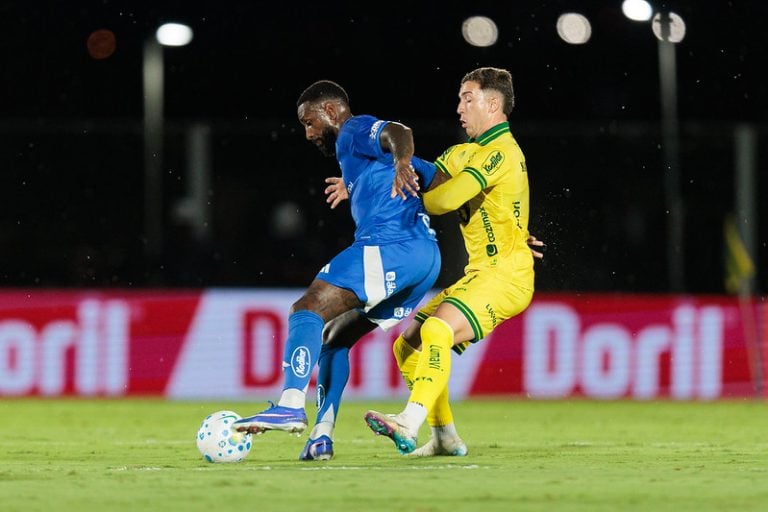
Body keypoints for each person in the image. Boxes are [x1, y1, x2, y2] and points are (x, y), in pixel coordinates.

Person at [233, 80, 444, 461]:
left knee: (307, 308)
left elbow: (400, 132)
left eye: (309, 122)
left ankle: (290, 404)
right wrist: (363, 183)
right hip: (424, 260)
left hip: (390, 246)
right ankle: (321, 436)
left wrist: (399, 161)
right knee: (334, 338)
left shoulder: (351, 129)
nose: (308, 133)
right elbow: (440, 181)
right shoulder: (363, 160)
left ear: (330, 111)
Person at [363, 66, 537, 455]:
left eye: (468, 99)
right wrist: (361, 180)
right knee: (406, 346)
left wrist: (413, 203)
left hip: (506, 277)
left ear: (493, 104)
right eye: (459, 99)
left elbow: (444, 199)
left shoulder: (501, 152)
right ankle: (444, 436)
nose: (459, 107)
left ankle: (409, 421)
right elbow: (425, 172)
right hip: (481, 274)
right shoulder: (465, 152)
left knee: (437, 331)